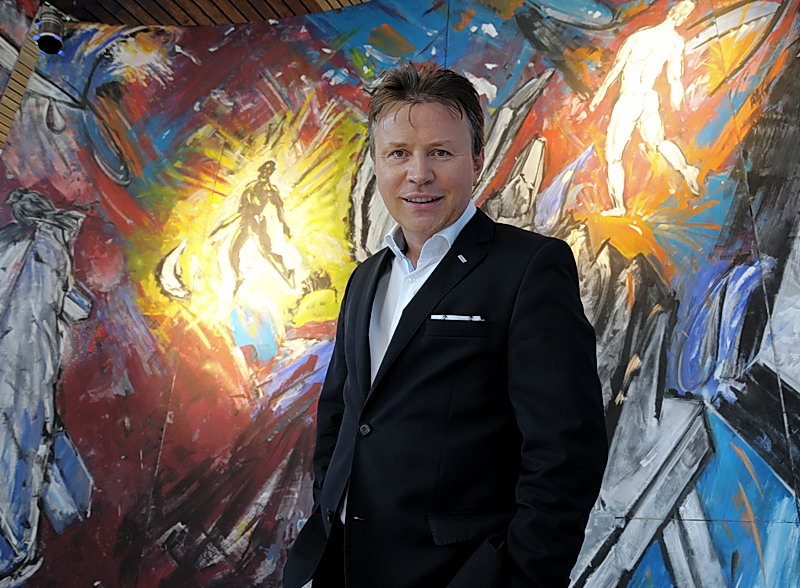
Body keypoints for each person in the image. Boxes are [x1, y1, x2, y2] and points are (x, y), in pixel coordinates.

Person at [283, 62, 607, 588]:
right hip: (341, 565)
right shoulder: (366, 278)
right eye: (398, 154)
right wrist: (327, 506)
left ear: (476, 159)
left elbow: (566, 451)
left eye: (440, 152)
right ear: (376, 163)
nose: (418, 174)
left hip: (456, 574)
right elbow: (342, 415)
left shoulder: (529, 268)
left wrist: (518, 579)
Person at [589, 0, 700, 215]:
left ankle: (619, 207)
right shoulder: (673, 41)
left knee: (614, 156)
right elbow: (674, 77)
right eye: (685, 9)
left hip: (631, 99)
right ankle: (687, 169)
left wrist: (600, 93)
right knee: (658, 142)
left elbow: (618, 68)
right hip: (648, 98)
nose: (683, 13)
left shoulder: (641, 37)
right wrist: (677, 92)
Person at [211, 159, 293, 291]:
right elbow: (241, 209)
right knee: (234, 251)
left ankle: (285, 271)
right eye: (264, 169)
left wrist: (284, 225)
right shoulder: (250, 186)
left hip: (256, 223)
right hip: (245, 221)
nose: (265, 172)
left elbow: (279, 208)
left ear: (271, 173)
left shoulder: (271, 190)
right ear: (260, 170)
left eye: (269, 170)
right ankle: (239, 277)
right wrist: (224, 226)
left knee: (265, 252)